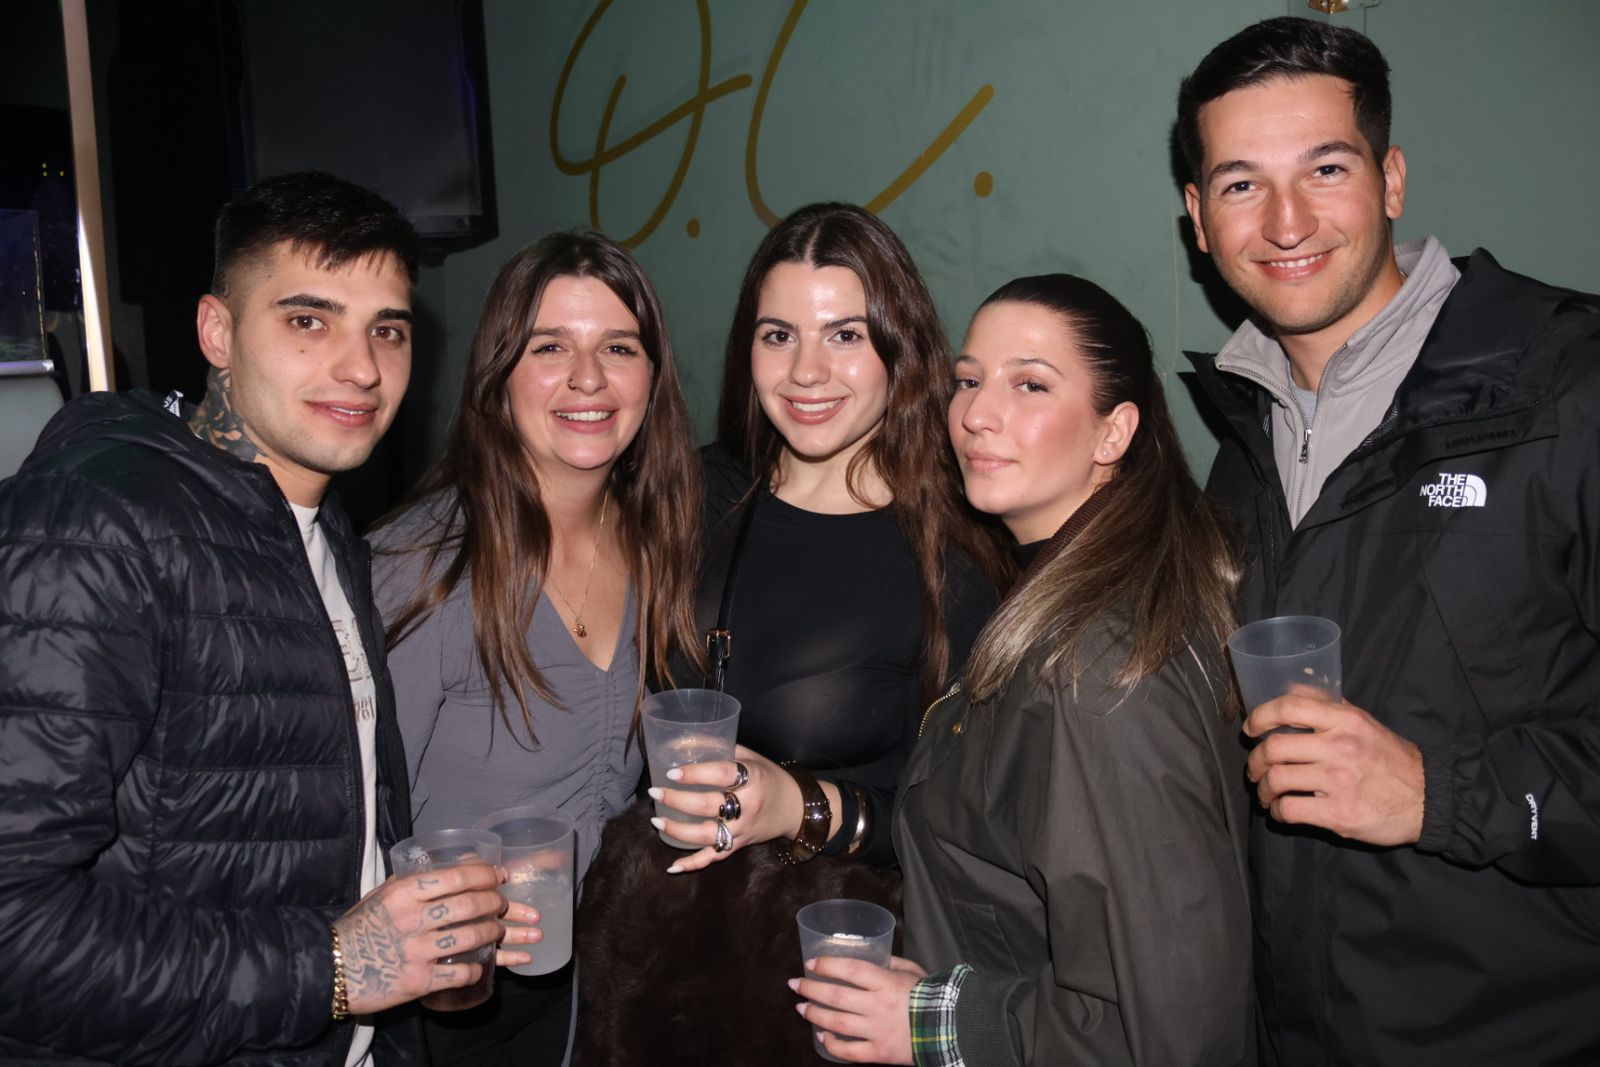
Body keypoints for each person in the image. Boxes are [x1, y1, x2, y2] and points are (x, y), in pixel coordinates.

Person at [0, 171, 531, 1066]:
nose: (361, 368)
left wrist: (408, 960)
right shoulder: (94, 524)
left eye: (387, 330)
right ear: (217, 331)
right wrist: (332, 965)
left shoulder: (328, 534)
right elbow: (16, 932)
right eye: (308, 320)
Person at [1176, 17, 1600, 1064]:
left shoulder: (1570, 386)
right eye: (1238, 184)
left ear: (1391, 178)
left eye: (1325, 167)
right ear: (1196, 219)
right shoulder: (1241, 443)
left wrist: (1438, 791)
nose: (1284, 220)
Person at [574, 203, 1010, 1065]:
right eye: (778, 335)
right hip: (646, 967)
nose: (807, 371)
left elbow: (967, 831)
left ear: (900, 344)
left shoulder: (958, 551)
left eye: (845, 334)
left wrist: (797, 805)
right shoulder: (695, 491)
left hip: (817, 991)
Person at [791, 273, 1253, 1065]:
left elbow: (1167, 1030)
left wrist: (932, 1020)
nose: (975, 413)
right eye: (968, 380)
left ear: (1113, 433)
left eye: (1029, 384)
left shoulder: (1101, 667)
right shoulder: (1065, 594)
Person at [369, 231, 702, 1066]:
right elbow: (344, 827)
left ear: (652, 378)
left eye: (617, 347)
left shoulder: (662, 546)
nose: (587, 378)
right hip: (441, 1010)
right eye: (550, 346)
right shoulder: (425, 567)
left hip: (591, 990)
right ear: (498, 374)